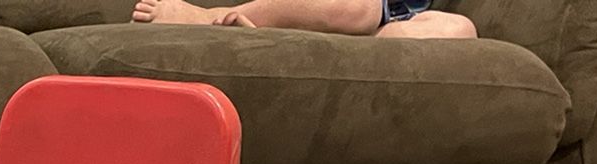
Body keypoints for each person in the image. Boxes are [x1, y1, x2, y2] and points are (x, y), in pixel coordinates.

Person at [130, 0, 477, 38]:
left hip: (403, 16)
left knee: (460, 30)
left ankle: (366, 55)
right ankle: (212, 17)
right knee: (359, 7)